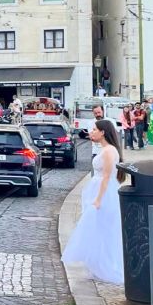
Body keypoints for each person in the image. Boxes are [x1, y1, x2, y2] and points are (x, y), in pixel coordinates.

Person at [61, 120, 125, 284]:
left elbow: (106, 176)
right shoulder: (105, 149)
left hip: (104, 193)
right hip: (99, 191)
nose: (91, 132)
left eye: (95, 129)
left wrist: (98, 200)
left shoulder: (109, 151)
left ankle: (104, 265)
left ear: (103, 132)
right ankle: (97, 264)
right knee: (97, 229)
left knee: (102, 228)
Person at [90, 105, 119, 173]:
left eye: (99, 112)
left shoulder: (110, 121)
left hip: (107, 149)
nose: (98, 115)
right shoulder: (91, 123)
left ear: (103, 111)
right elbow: (91, 136)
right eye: (95, 113)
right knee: (97, 172)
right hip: (96, 151)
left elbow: (114, 134)